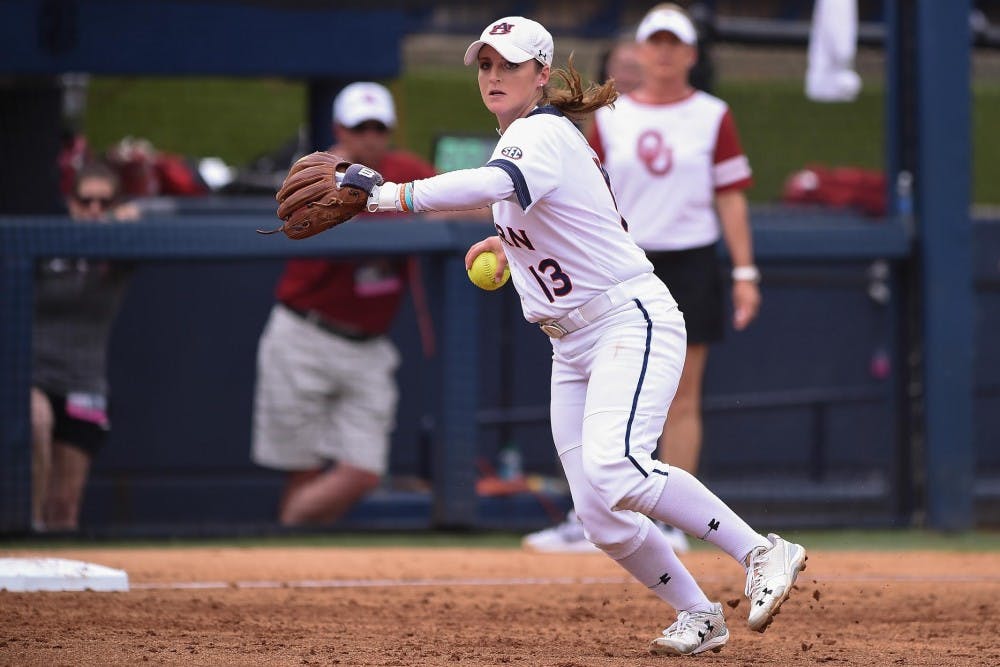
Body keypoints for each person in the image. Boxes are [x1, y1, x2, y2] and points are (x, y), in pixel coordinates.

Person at [281, 16, 807, 656]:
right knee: (599, 516)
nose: (495, 75)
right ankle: (699, 614)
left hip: (626, 320)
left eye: (509, 64)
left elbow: (496, 184)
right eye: (485, 65)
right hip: (571, 344)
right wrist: (508, 244)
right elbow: (544, 212)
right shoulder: (525, 142)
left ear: (540, 74)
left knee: (619, 470)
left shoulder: (543, 132)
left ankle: (762, 550)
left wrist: (386, 194)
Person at [524, 4, 760, 556]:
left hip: (691, 258)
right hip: (617, 263)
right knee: (592, 391)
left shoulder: (711, 114)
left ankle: (675, 519)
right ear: (642, 50)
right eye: (655, 41)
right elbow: (583, 192)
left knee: (682, 395)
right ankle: (594, 512)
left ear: (691, 55)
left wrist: (745, 271)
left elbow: (731, 195)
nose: (664, 52)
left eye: (674, 44)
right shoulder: (612, 117)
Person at [250, 82, 439, 526]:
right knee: (303, 468)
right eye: (360, 127)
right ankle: (293, 566)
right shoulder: (318, 173)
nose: (370, 137)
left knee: (363, 471)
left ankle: (289, 528)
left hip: (368, 344)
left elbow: (465, 203)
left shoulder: (404, 168)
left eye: (379, 127)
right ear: (339, 128)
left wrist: (427, 207)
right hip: (306, 334)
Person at [31, 160, 138, 532]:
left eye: (103, 203)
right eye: (85, 201)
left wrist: (128, 224)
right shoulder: (42, 245)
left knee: (64, 505)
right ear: (71, 202)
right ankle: (26, 532)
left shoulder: (118, 251)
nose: (93, 210)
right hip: (33, 378)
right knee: (35, 420)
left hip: (84, 384)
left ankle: (61, 589)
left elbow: (139, 237)